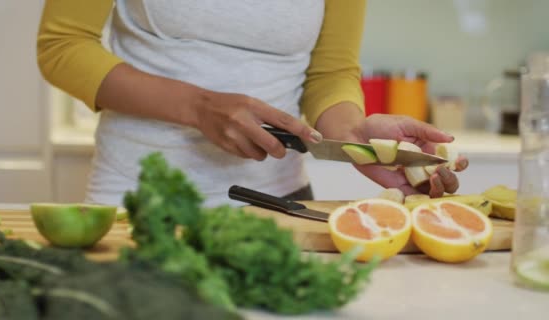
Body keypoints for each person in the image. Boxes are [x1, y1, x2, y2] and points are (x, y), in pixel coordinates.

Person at [37, 0, 468, 207]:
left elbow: (330, 72)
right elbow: (62, 46)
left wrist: (353, 134)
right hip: (139, 199)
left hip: (278, 201)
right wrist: (198, 107)